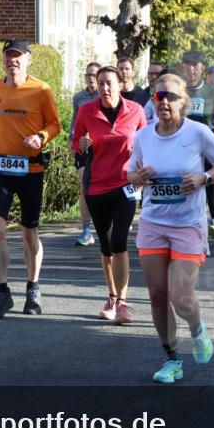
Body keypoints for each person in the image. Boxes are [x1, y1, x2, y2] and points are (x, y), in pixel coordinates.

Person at [127, 74, 214, 383]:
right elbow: (130, 173)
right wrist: (138, 177)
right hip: (153, 223)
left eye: (171, 96)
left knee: (181, 296)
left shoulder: (198, 133)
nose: (164, 102)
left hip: (188, 224)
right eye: (159, 97)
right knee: (158, 295)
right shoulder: (144, 136)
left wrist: (204, 178)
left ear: (183, 102)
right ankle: (172, 359)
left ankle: (198, 330)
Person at [0, 39, 61, 317]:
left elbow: (55, 124)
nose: (13, 61)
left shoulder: (41, 89)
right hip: (0, 167)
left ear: (28, 60)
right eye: (9, 56)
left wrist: (41, 137)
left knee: (28, 232)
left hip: (30, 169)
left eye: (18, 56)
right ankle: (2, 293)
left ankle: (33, 288)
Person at [72, 66, 146, 324]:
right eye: (100, 82)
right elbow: (76, 142)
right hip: (96, 186)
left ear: (120, 85)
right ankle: (112, 297)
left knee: (119, 241)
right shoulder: (86, 111)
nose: (104, 87)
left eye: (109, 83)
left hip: (125, 185)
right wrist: (80, 145)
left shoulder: (135, 111)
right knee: (105, 246)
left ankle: (123, 301)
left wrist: (144, 173)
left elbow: (146, 141)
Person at [181, 50, 214, 239]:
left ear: (202, 68)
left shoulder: (211, 91)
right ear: (183, 68)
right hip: (183, 142)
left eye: (195, 65)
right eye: (187, 66)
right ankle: (189, 220)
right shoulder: (179, 88)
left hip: (207, 140)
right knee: (187, 179)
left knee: (210, 180)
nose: (191, 69)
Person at [71, 62, 101, 246]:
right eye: (88, 74)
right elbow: (75, 120)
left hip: (102, 147)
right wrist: (71, 141)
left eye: (94, 75)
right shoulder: (79, 97)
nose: (91, 78)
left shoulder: (106, 96)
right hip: (83, 146)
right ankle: (86, 229)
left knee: (101, 185)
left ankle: (105, 222)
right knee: (85, 185)